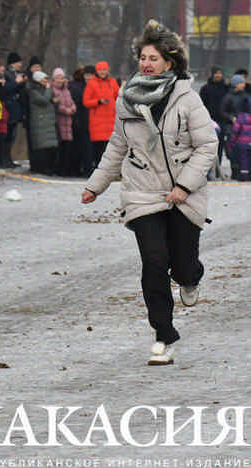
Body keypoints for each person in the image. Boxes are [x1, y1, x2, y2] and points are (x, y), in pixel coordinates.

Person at [81, 20, 217, 366]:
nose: (146, 64)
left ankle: (190, 277)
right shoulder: (127, 100)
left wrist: (184, 185)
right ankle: (164, 335)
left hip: (184, 194)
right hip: (142, 192)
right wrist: (95, 185)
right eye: (143, 57)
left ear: (169, 63)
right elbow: (116, 147)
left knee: (182, 264)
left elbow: (207, 146)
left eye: (153, 58)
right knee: (154, 262)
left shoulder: (188, 99)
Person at [83, 60, 119, 171]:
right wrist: (98, 102)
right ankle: (99, 170)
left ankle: (110, 171)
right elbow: (86, 102)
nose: (102, 72)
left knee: (110, 149)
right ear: (97, 71)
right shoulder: (91, 84)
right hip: (97, 122)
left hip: (111, 121)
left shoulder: (112, 82)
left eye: (104, 69)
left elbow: (118, 97)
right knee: (99, 149)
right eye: (100, 70)